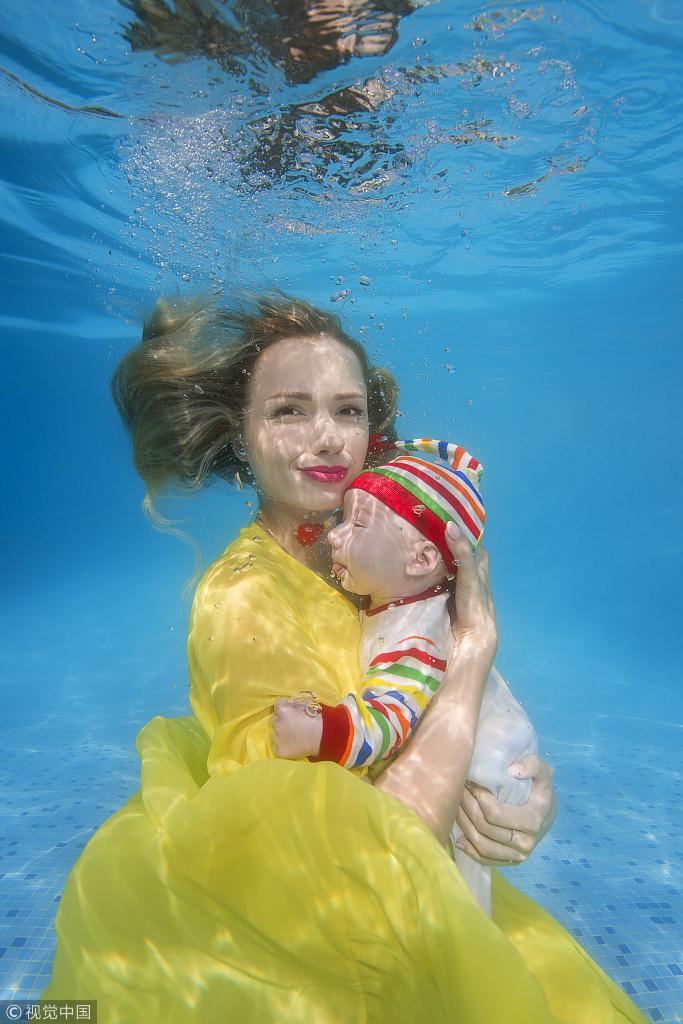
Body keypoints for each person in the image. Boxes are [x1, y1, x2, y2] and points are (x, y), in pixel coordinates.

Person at [43, 292, 647, 1024]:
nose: (327, 437)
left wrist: (523, 798)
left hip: (424, 895)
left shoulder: (386, 559)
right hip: (323, 947)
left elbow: (461, 725)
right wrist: (475, 651)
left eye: (348, 410)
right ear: (240, 433)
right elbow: (373, 857)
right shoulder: (244, 603)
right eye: (288, 410)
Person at [271, 438, 538, 916]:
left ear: (420, 560)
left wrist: (320, 732)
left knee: (450, 897)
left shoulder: (414, 635)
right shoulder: (404, 599)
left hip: (483, 775)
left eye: (356, 524)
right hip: (490, 763)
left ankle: (456, 958)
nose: (333, 535)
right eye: (341, 518)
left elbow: (391, 715)